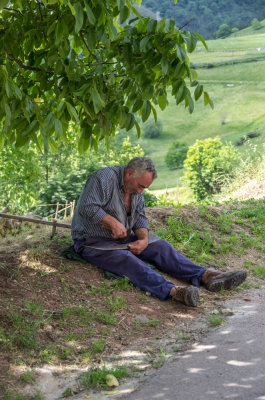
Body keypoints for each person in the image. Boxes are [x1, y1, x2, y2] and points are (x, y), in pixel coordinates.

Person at [71, 157, 247, 307]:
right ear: (129, 173)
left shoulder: (136, 189)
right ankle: (174, 292)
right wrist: (112, 222)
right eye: (139, 186)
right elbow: (87, 207)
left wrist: (144, 239)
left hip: (123, 238)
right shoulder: (103, 177)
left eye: (144, 188)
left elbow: (139, 218)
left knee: (161, 246)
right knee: (126, 259)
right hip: (92, 241)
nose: (140, 191)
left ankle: (206, 276)